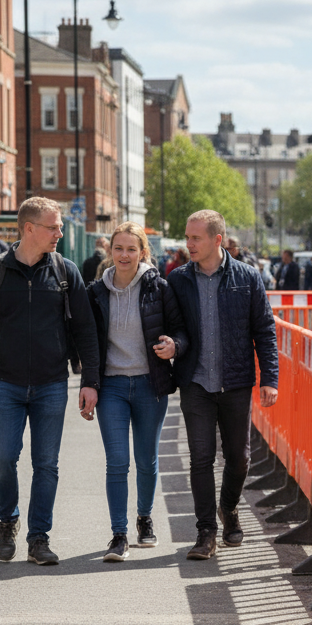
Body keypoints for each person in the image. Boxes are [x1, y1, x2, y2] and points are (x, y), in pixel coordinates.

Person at [0, 196, 100, 565]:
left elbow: (86, 330)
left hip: (52, 383)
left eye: (58, 226)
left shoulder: (65, 271)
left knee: (47, 464)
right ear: (29, 228)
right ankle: (8, 521)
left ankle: (38, 538)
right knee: (3, 460)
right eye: (52, 226)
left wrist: (90, 380)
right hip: (5, 384)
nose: (59, 232)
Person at [168, 209, 278, 560]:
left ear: (217, 239)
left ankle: (228, 509)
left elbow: (264, 331)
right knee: (201, 458)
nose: (189, 244)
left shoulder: (247, 277)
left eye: (195, 238)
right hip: (196, 383)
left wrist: (269, 379)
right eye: (187, 237)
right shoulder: (178, 279)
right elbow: (177, 328)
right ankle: (205, 533)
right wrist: (175, 345)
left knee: (239, 457)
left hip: (235, 381)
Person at [87, 223, 188, 562]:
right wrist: (88, 382)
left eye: (132, 249)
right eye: (119, 248)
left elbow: (180, 330)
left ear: (143, 252)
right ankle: (118, 535)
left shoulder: (159, 287)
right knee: (117, 461)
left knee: (146, 460)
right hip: (112, 384)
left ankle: (144, 518)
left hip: (149, 383)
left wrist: (174, 346)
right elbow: (87, 341)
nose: (125, 255)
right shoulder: (96, 291)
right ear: (110, 252)